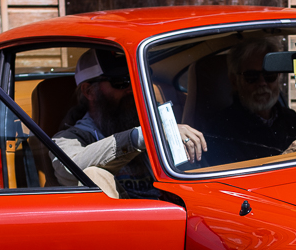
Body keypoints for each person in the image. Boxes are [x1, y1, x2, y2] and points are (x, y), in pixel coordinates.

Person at [52, 48, 205, 197]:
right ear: (89, 91)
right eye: (121, 82)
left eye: (136, 80)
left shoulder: (155, 121)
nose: (132, 89)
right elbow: (68, 168)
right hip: (122, 213)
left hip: (168, 209)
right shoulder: (70, 138)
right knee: (93, 173)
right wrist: (143, 136)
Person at [208, 38, 296, 162]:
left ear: (278, 77)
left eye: (269, 75)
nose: (262, 83)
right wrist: (282, 160)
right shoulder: (219, 128)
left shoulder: (293, 120)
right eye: (251, 76)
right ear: (235, 81)